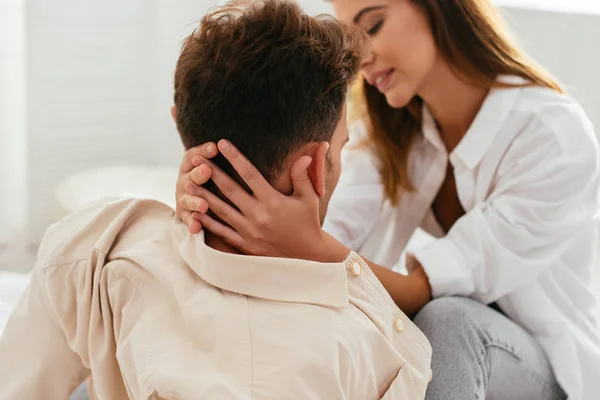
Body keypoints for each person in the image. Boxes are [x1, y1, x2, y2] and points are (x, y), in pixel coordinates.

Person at [0, 1, 433, 399]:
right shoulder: (355, 347)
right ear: (316, 166)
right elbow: (415, 365)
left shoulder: (96, 242)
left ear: (180, 123)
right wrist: (336, 261)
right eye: (342, 145)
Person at [176, 0, 600, 399]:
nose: (362, 58)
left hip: (545, 359)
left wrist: (304, 242)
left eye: (374, 25)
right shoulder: (394, 130)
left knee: (446, 320)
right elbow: (323, 229)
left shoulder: (555, 136)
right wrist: (210, 196)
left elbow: (416, 289)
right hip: (453, 329)